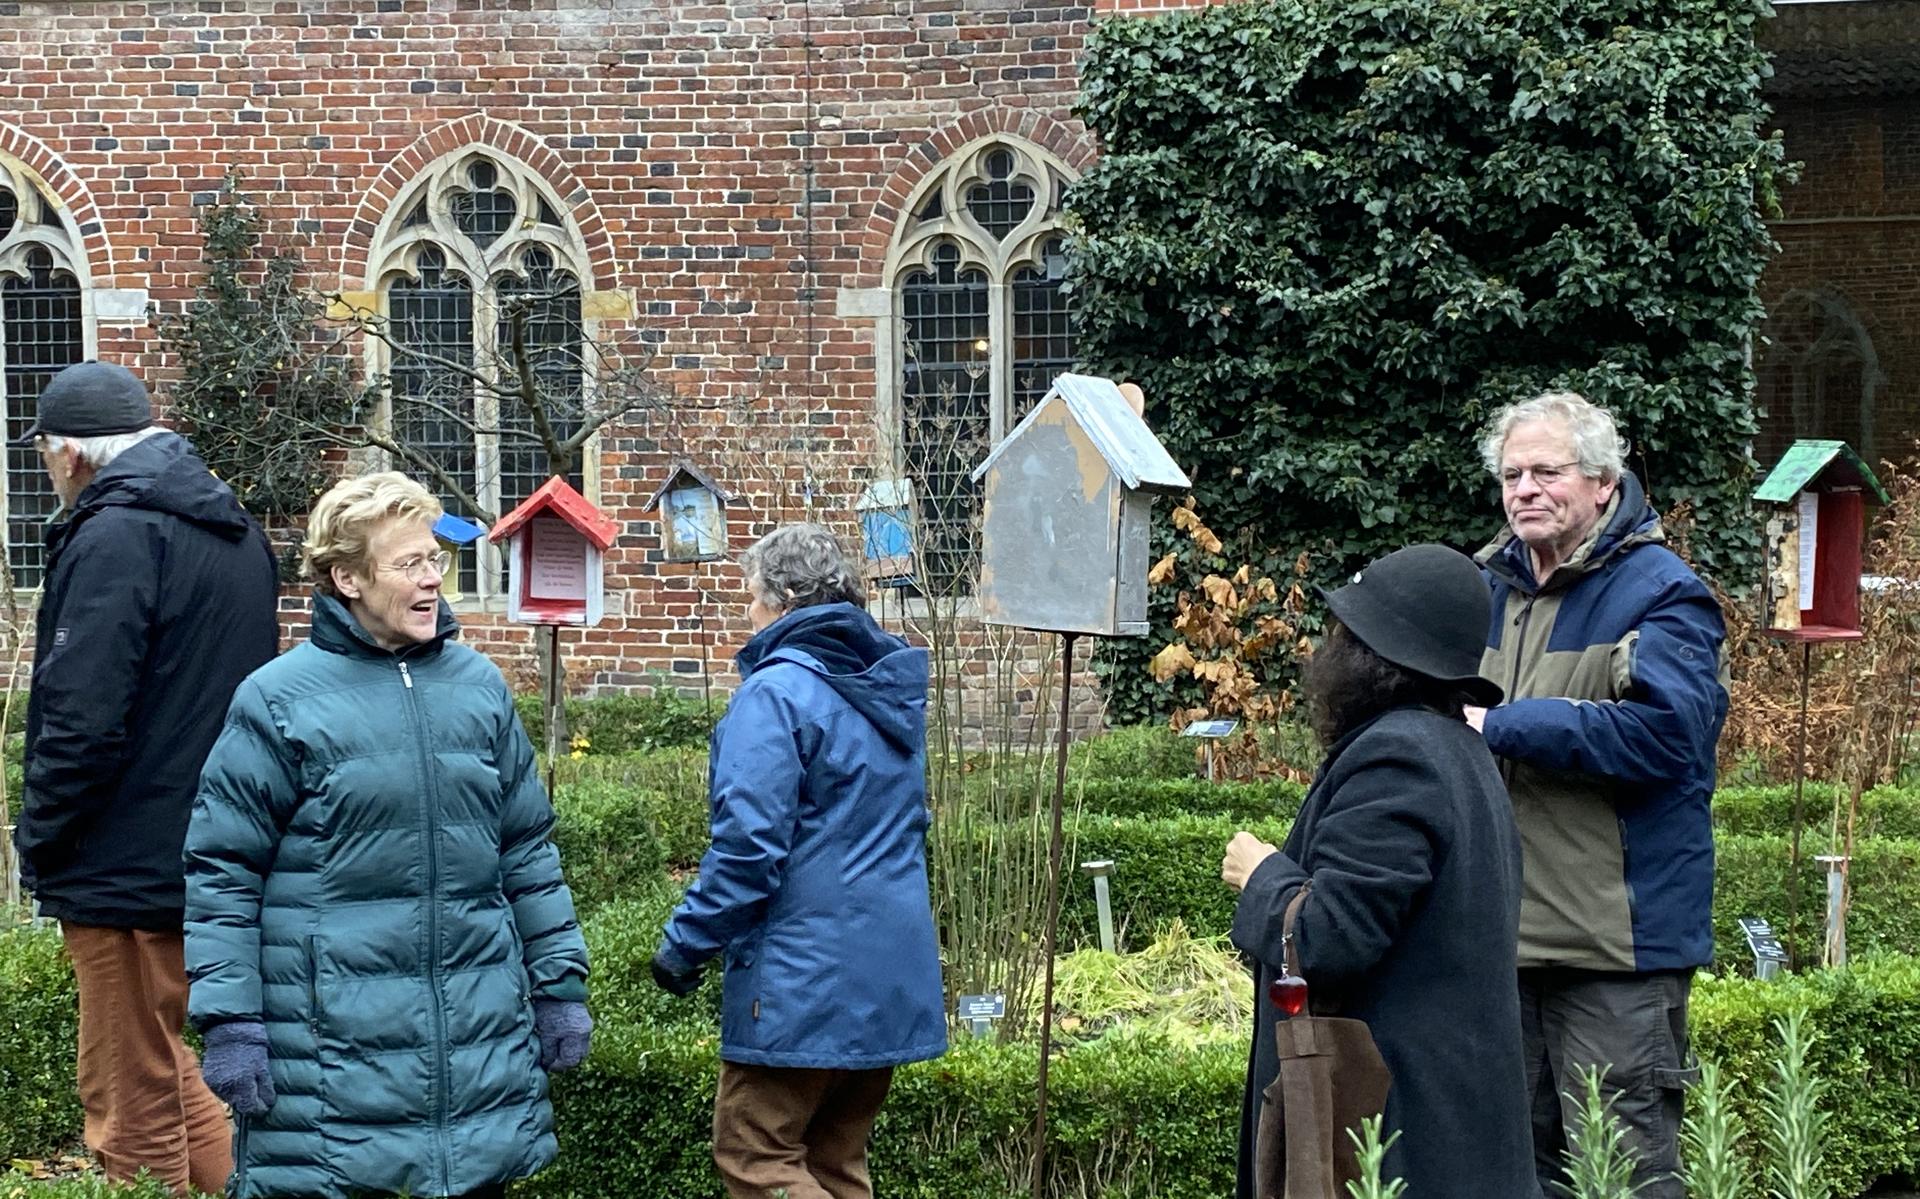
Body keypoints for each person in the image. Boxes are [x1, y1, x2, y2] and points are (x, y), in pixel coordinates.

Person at [183, 471, 592, 1199]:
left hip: (475, 1047)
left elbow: (527, 850)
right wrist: (233, 1021)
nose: (433, 578)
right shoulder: (277, 701)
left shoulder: (478, 686)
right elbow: (223, 873)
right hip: (332, 1061)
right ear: (347, 577)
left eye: (435, 558)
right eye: (409, 563)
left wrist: (558, 985)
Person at [11, 360, 279, 1195]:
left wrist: (40, 840)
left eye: (47, 458)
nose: (49, 475)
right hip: (204, 846)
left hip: (121, 860)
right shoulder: (231, 525)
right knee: (167, 1070)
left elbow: (82, 716)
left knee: (125, 1103)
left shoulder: (116, 532)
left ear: (74, 454)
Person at [1467, 392, 1727, 1198]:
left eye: (1547, 470)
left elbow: (1669, 738)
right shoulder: (1487, 587)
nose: (1525, 489)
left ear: (1605, 483)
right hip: (1503, 943)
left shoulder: (1662, 593)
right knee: (1511, 1171)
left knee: (1625, 1172)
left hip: (1615, 954)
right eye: (1512, 474)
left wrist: (1506, 724)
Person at [1223, 544, 1537, 1199]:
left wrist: (1262, 877)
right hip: (1447, 1129)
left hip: (1399, 1142)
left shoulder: (1400, 756)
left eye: (1344, 635)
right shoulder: (1459, 748)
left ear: (1371, 656)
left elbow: (1329, 937)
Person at [651, 523, 946, 1199]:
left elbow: (748, 848)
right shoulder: (885, 687)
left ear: (782, 599)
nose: (748, 615)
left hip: (803, 982)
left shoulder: (777, 692)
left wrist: (683, 945)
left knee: (757, 1157)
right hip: (889, 975)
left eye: (752, 598)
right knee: (835, 1164)